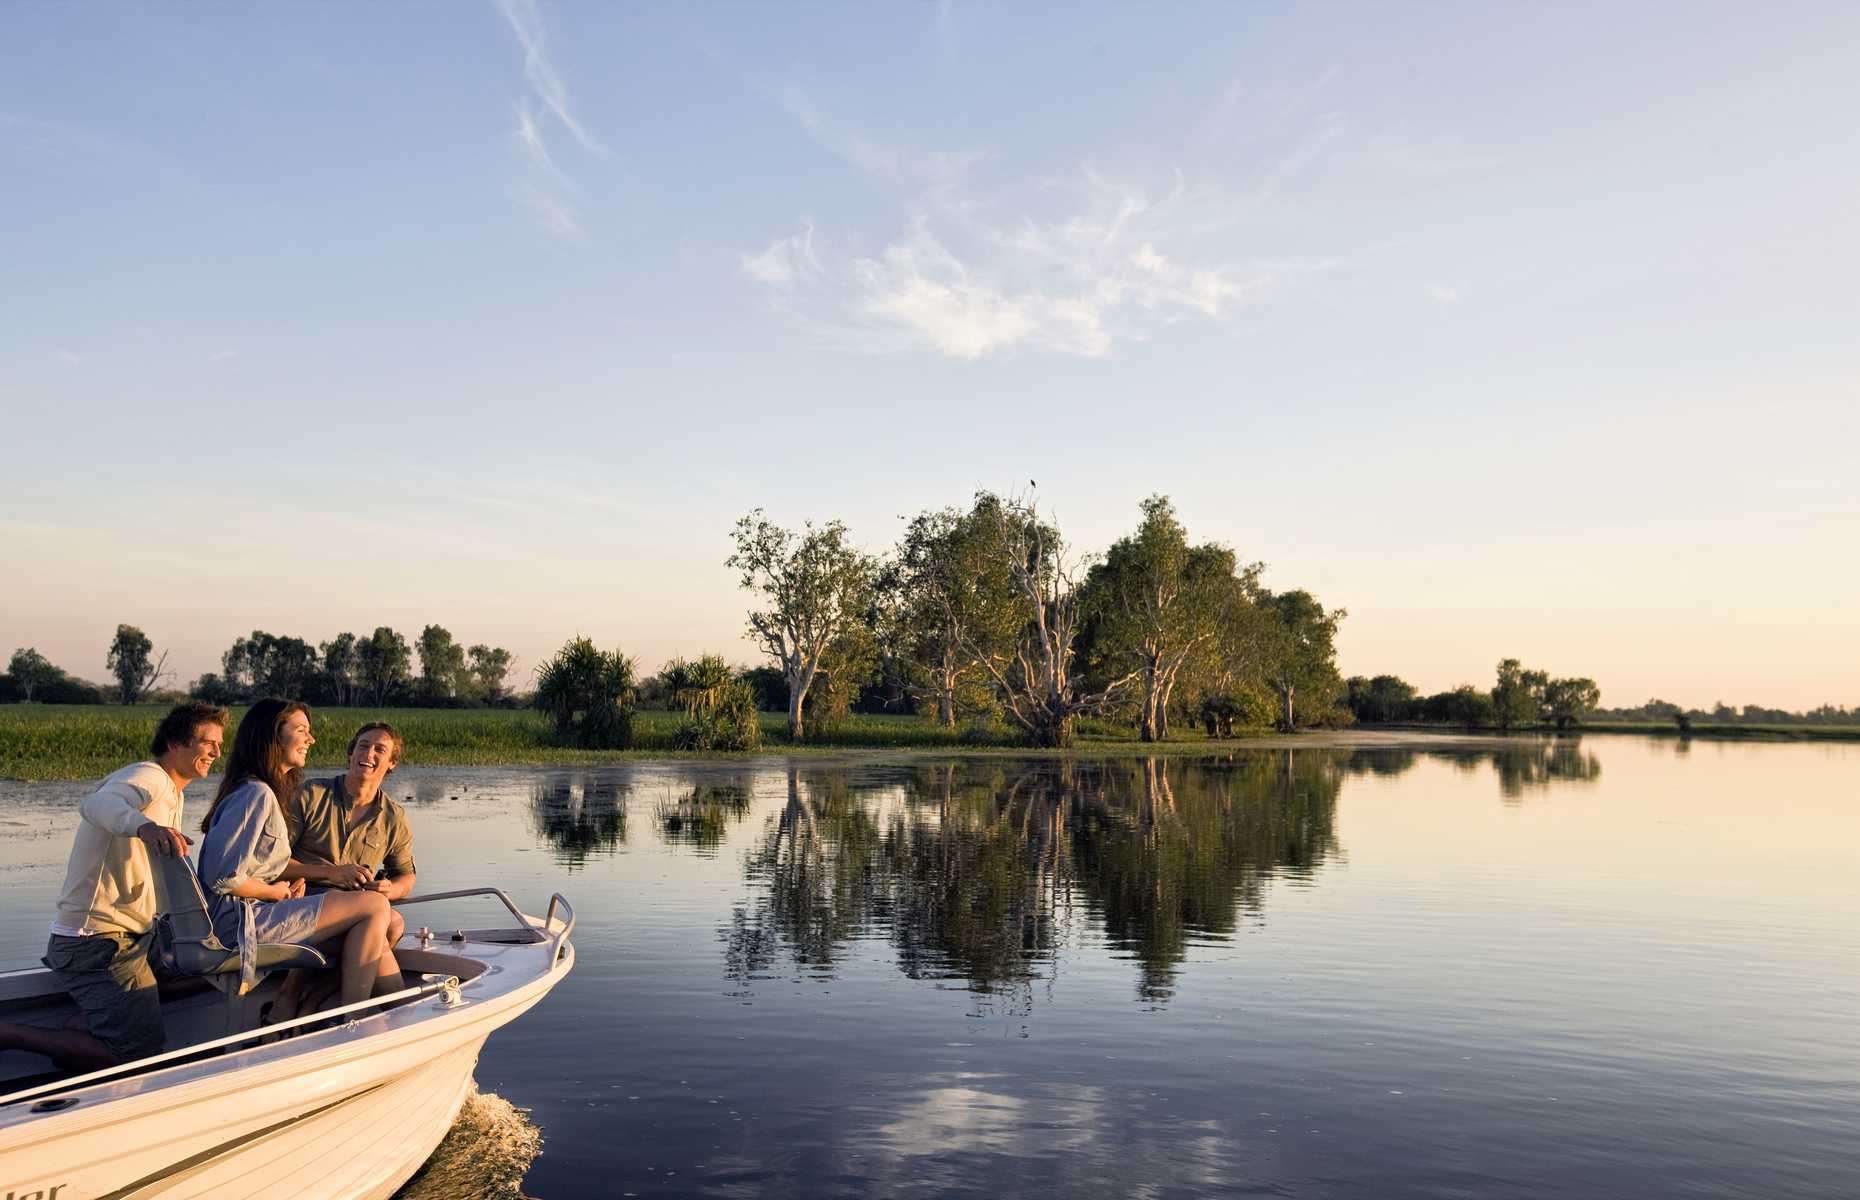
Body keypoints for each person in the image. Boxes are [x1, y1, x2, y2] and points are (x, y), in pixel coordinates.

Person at [0, 701, 226, 1070]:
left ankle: (87, 1026)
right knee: (136, 1055)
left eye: (219, 743)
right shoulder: (149, 777)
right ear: (176, 742)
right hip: (97, 942)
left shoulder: (173, 792)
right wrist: (144, 827)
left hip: (131, 937)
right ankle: (9, 1034)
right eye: (207, 742)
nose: (217, 751)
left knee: (206, 968)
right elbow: (97, 802)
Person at [195, 699, 405, 1010]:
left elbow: (251, 867)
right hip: (238, 924)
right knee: (374, 906)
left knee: (376, 924)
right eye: (301, 730)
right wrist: (274, 891)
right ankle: (354, 1019)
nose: (311, 739)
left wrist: (282, 888)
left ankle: (386, 1013)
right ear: (274, 737)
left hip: (249, 916)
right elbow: (224, 877)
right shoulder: (256, 794)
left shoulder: (259, 790)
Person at [272, 721, 418, 1018]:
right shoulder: (310, 794)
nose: (369, 753)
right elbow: (272, 864)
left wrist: (392, 888)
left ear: (391, 764)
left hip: (357, 909)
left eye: (380, 749)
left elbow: (406, 875)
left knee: (391, 920)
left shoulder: (393, 816)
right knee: (383, 921)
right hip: (301, 905)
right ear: (351, 754)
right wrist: (331, 873)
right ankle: (361, 1016)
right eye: (363, 745)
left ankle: (314, 997)